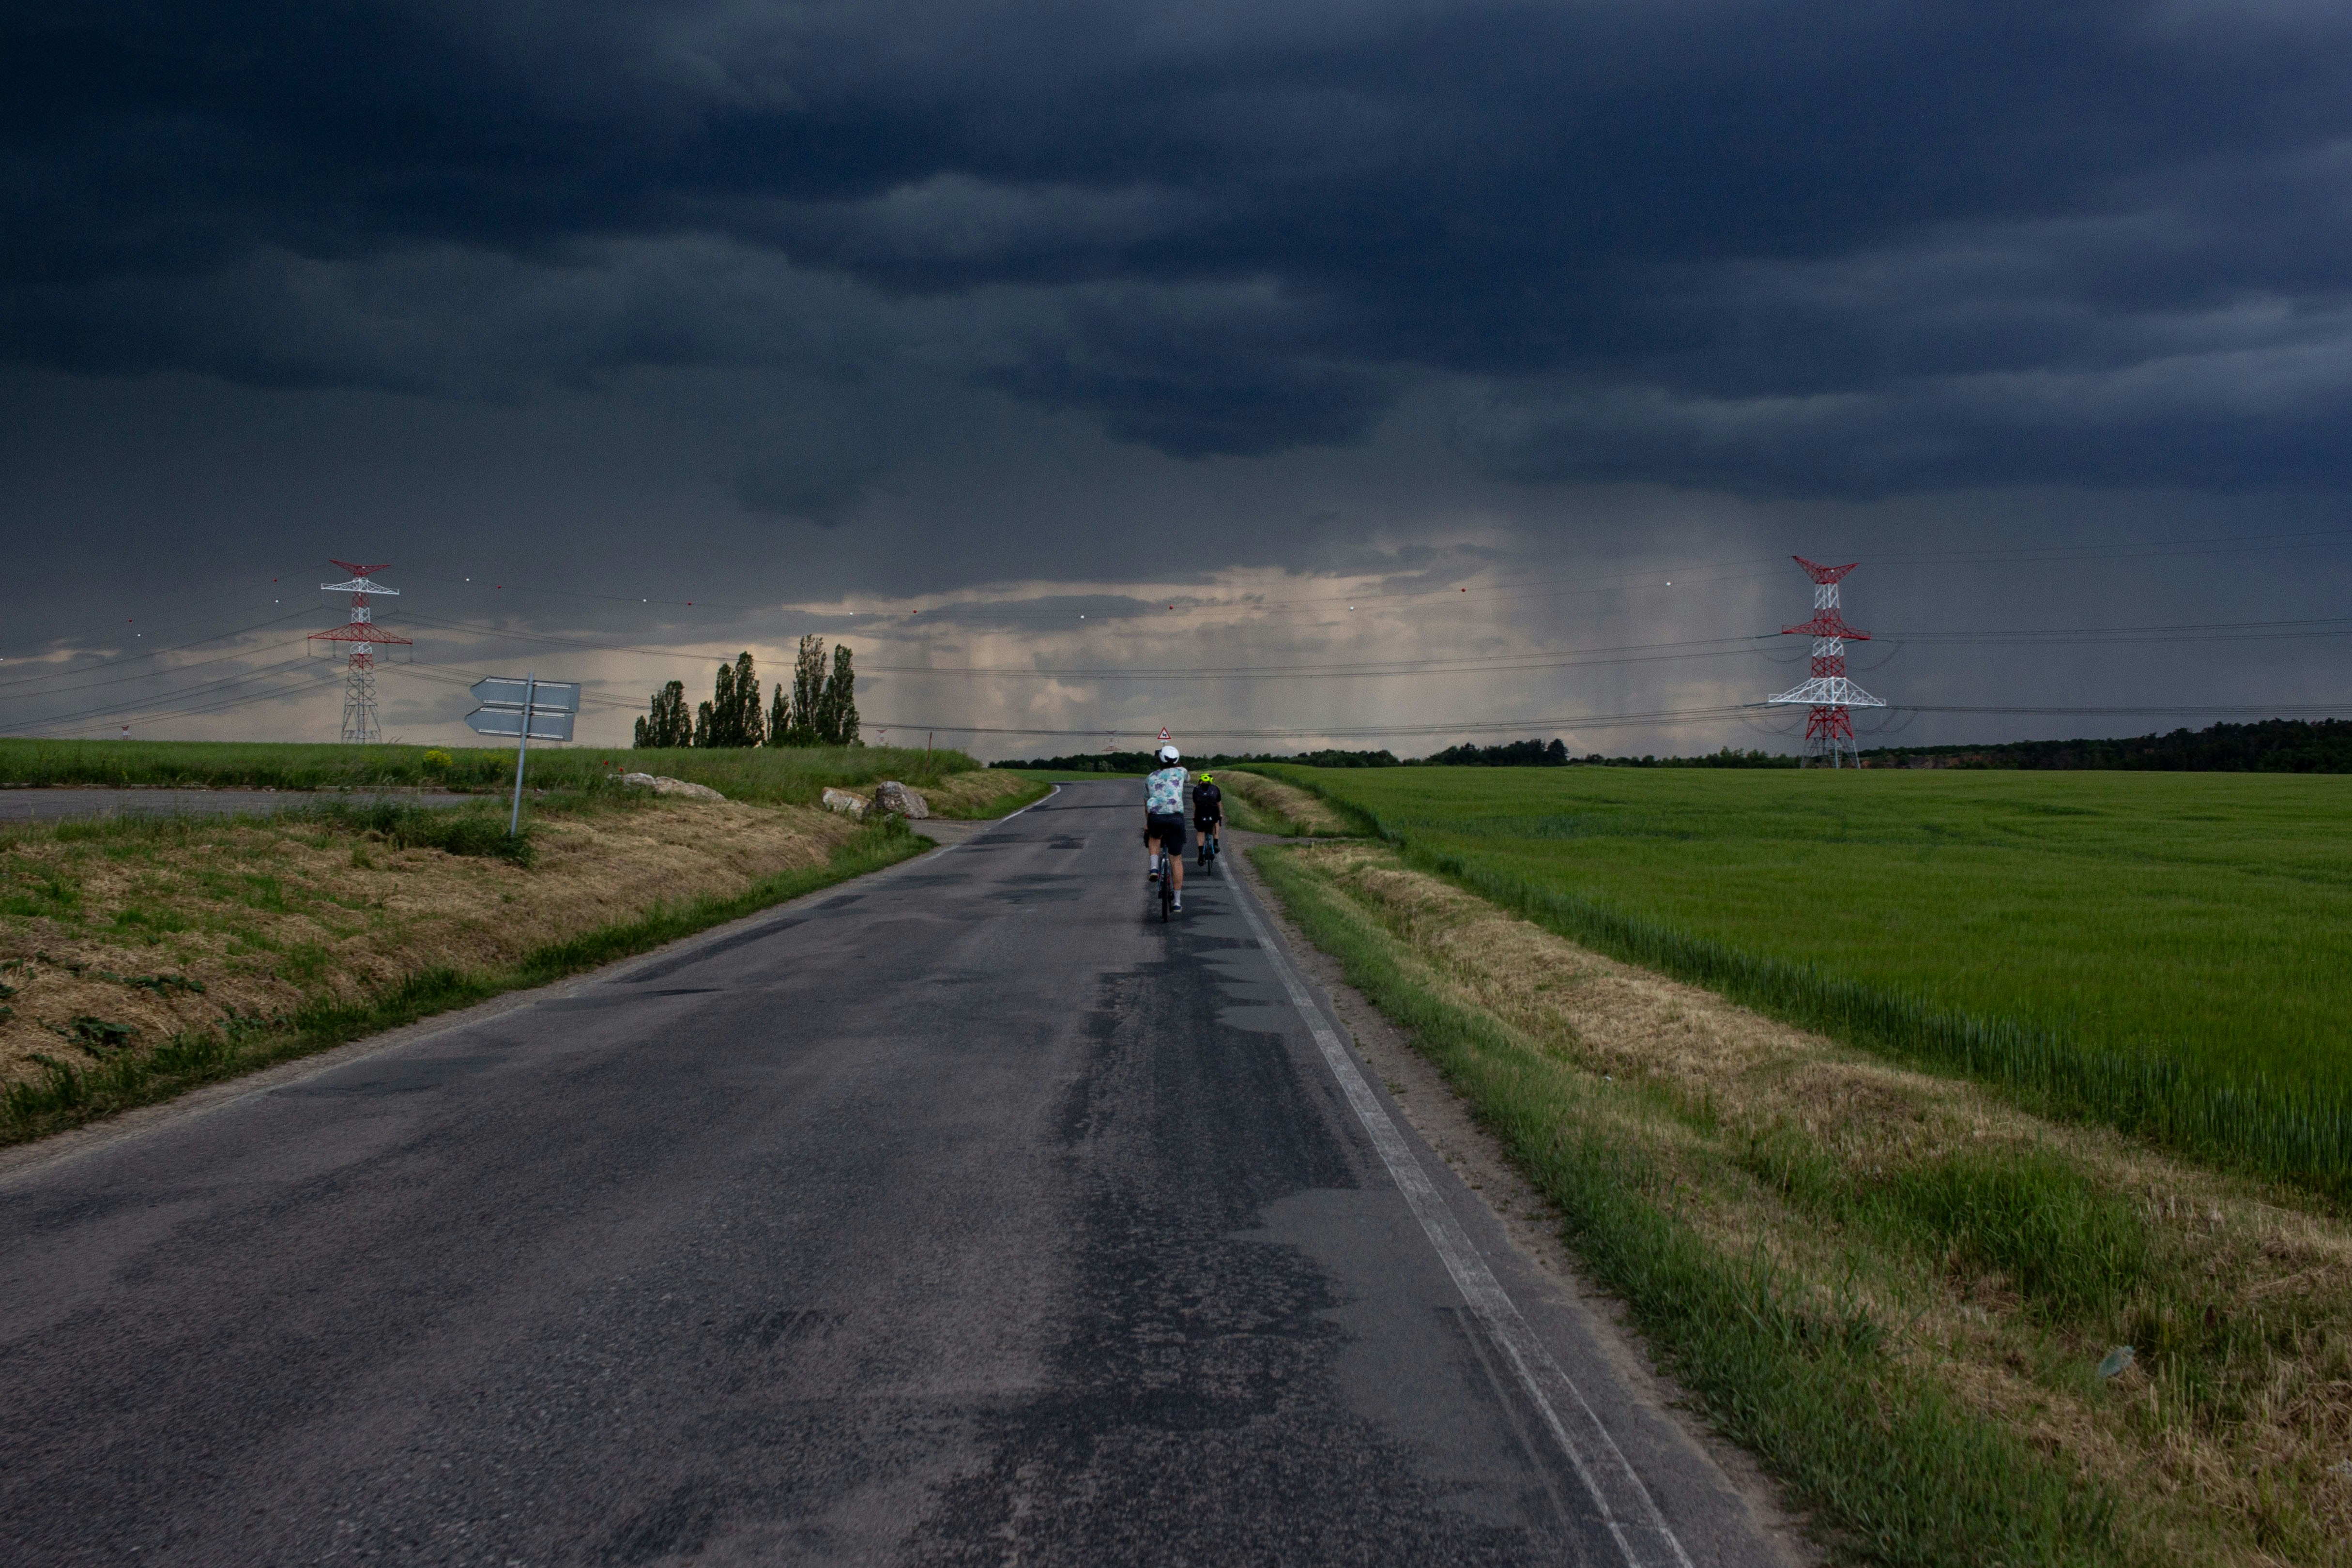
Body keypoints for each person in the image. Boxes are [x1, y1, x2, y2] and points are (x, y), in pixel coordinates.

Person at [1143, 744, 1188, 911]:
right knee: (1176, 859)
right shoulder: (1182, 772)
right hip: (1176, 818)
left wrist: (1147, 822)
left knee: (1154, 837)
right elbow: (1187, 777)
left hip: (1156, 817)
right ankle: (1177, 902)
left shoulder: (1150, 777)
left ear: (1160, 760)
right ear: (1177, 760)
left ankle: (1154, 867)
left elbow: (1146, 803)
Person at [1191, 772, 1223, 867]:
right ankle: (1216, 843)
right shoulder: (1216, 789)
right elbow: (1219, 804)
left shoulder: (1196, 789)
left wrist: (1194, 816)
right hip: (1213, 812)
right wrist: (1220, 814)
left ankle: (1201, 852)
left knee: (1200, 831)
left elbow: (1195, 805)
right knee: (1216, 823)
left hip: (1200, 813)